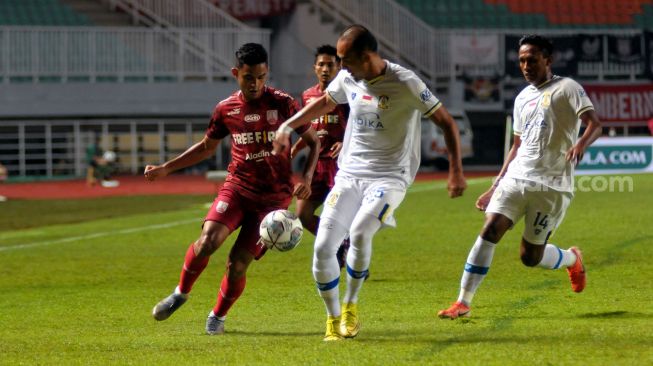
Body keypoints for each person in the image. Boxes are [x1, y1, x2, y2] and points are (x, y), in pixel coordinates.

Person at [273, 25, 467, 341]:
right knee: (323, 247)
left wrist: (456, 170)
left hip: (390, 177)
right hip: (349, 175)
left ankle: (350, 306)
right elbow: (324, 102)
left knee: (361, 230)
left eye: (345, 59)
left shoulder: (405, 82)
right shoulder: (349, 77)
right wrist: (287, 127)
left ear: (366, 56)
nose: (340, 66)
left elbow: (445, 122)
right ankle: (333, 319)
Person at [146, 43, 320, 335]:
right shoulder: (226, 109)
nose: (256, 84)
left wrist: (307, 179)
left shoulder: (284, 103)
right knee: (207, 241)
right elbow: (205, 147)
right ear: (236, 73)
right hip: (237, 189)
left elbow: (314, 141)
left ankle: (217, 316)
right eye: (249, 77)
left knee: (237, 264)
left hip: (273, 201)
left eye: (262, 77)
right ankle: (180, 293)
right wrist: (167, 168)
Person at [438, 35, 603, 320]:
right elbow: (517, 145)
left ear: (548, 61)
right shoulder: (522, 97)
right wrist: (495, 185)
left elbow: (595, 125)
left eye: (532, 60)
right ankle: (462, 302)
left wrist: (580, 144)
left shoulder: (568, 88)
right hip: (517, 178)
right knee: (490, 230)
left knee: (530, 258)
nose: (525, 66)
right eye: (522, 61)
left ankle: (572, 259)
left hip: (551, 185)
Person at [290, 44, 351, 270]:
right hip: (315, 165)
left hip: (339, 166)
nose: (325, 69)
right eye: (321, 64)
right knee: (303, 215)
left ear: (339, 67)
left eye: (330, 65)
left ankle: (354, 259)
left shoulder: (346, 94)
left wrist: (345, 142)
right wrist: (297, 146)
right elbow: (311, 127)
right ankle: (341, 244)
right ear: (315, 68)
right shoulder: (308, 95)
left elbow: (359, 126)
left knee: (338, 217)